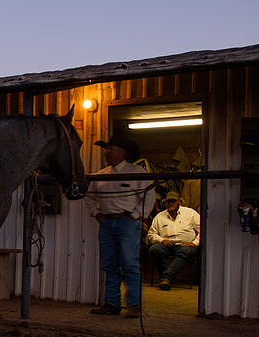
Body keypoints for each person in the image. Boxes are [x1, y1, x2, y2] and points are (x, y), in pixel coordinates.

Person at [86, 135, 156, 317]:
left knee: (129, 263)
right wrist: (97, 214)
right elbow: (89, 197)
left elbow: (149, 197)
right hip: (107, 222)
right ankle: (112, 303)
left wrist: (136, 216)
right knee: (110, 264)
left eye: (111, 149)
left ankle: (133, 305)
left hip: (127, 222)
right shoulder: (100, 175)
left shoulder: (137, 172)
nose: (108, 152)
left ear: (123, 152)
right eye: (107, 149)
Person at [147, 191, 200, 290]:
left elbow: (203, 229)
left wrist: (194, 243)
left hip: (185, 244)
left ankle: (166, 278)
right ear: (165, 203)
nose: (170, 203)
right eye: (168, 201)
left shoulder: (190, 213)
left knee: (186, 251)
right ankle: (167, 278)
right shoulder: (159, 216)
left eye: (173, 201)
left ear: (179, 202)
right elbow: (151, 234)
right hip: (167, 244)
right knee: (154, 250)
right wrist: (162, 240)